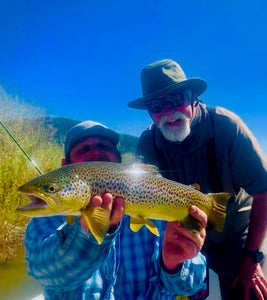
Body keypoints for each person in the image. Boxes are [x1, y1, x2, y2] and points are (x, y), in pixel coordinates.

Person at [128, 59, 267, 300]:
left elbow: (264, 192)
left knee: (249, 293)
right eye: (156, 105)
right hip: (182, 238)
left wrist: (251, 257)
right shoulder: (147, 143)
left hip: (235, 240)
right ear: (149, 112)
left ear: (193, 97)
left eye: (175, 100)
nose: (168, 112)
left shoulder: (227, 127)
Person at [24, 120, 208, 299]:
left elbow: (190, 287)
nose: (95, 152)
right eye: (83, 149)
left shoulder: (156, 204)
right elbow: (45, 274)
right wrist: (85, 233)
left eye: (104, 146)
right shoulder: (46, 218)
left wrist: (173, 265)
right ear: (66, 167)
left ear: (118, 160)